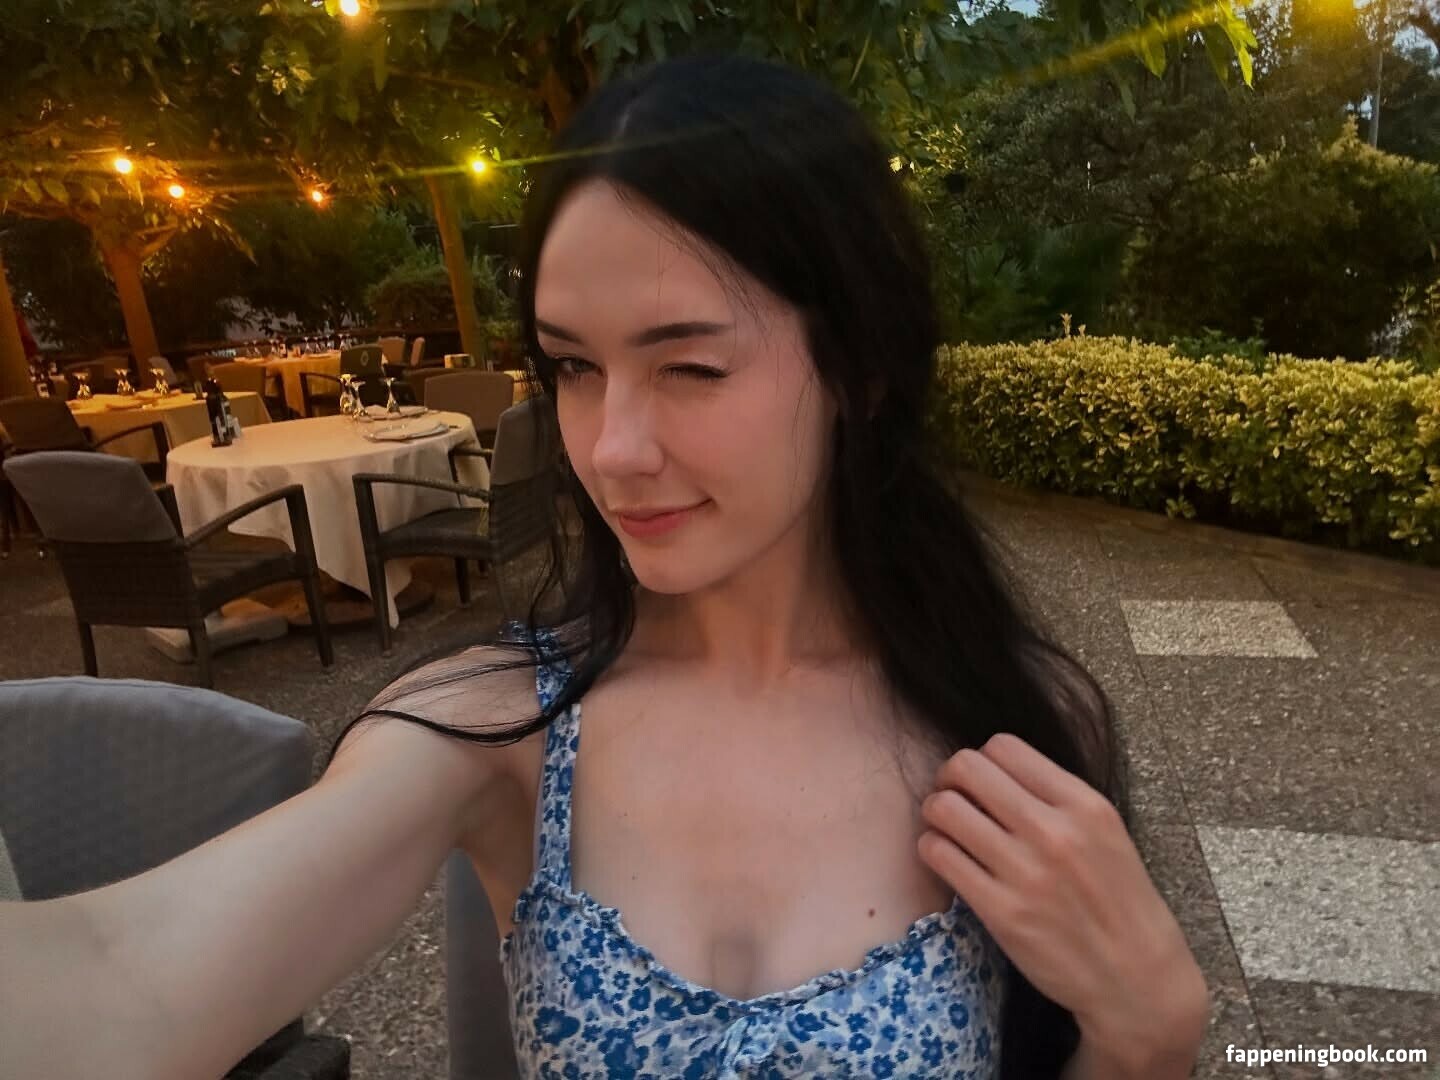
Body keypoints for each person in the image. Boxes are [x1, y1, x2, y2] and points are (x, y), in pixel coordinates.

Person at [0, 52, 1210, 1079]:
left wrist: (1148, 1035)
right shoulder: (504, 729)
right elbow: (126, 980)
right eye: (574, 366)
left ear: (862, 368)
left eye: (690, 366)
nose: (611, 449)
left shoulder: (1009, 726)